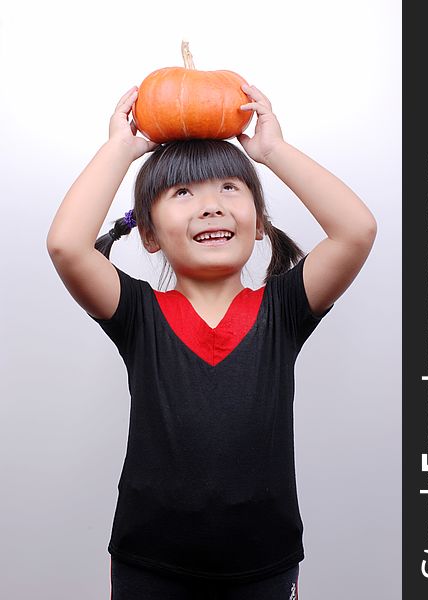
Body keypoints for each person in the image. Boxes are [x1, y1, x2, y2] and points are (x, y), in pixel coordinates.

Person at [47, 84, 377, 599]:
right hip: (150, 564)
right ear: (150, 234)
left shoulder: (283, 309)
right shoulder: (138, 314)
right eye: (182, 193)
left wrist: (272, 152)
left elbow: (356, 230)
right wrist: (119, 150)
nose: (210, 207)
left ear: (260, 223)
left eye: (229, 188)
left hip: (264, 565)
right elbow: (68, 246)